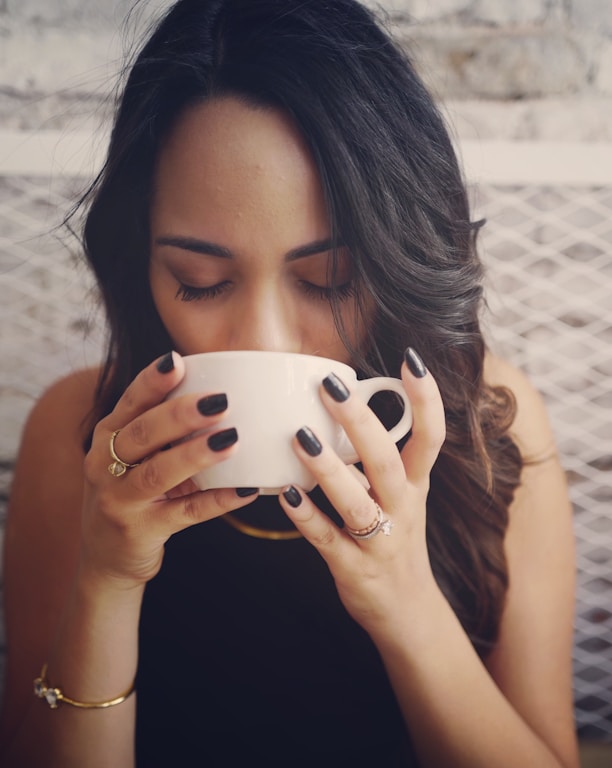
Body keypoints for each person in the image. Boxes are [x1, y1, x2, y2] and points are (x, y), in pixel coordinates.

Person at [0, 0, 579, 766]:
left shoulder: (483, 427)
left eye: (331, 281)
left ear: (391, 260)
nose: (263, 341)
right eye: (200, 282)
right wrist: (105, 579)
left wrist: (403, 600)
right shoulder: (80, 435)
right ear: (141, 263)